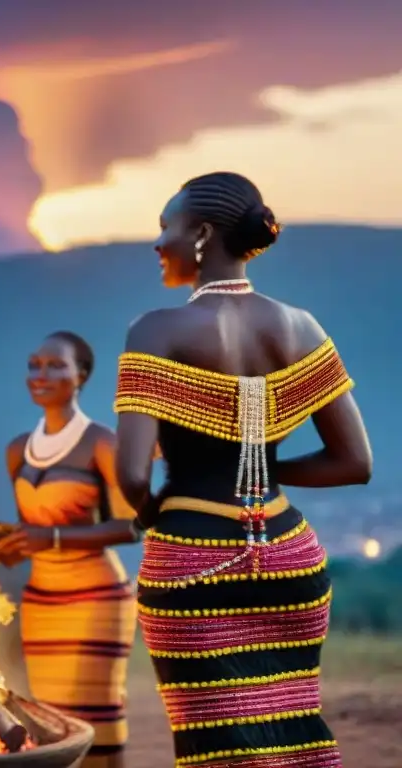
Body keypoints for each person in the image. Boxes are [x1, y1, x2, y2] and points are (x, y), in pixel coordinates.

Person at [114, 172, 372, 768]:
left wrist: (157, 509)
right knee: (293, 736)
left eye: (165, 227)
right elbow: (353, 462)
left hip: (192, 562)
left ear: (201, 234)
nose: (157, 244)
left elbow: (131, 475)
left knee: (216, 747)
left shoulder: (154, 331)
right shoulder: (301, 326)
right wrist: (262, 469)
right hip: (289, 557)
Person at [0, 331, 141, 768]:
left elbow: (132, 525)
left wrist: (51, 540)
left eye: (56, 365)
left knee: (98, 719)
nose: (41, 374)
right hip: (41, 599)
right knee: (55, 723)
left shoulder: (102, 443)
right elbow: (32, 528)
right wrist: (8, 546)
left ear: (82, 376)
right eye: (35, 364)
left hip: (96, 597)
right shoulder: (18, 450)